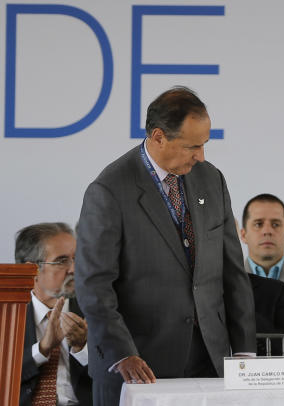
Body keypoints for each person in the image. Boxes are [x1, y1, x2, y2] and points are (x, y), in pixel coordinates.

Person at [75, 87, 255, 406]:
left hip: (208, 363)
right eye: (193, 146)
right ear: (159, 137)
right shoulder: (109, 191)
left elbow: (232, 271)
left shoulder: (211, 180)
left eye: (204, 145)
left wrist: (243, 351)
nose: (201, 156)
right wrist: (123, 354)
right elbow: (93, 286)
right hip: (137, 368)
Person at [16, 223, 92, 406]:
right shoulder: (8, 315)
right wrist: (42, 349)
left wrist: (82, 348)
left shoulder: (95, 310)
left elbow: (115, 375)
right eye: (62, 260)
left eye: (76, 259)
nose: (73, 269)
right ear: (31, 270)